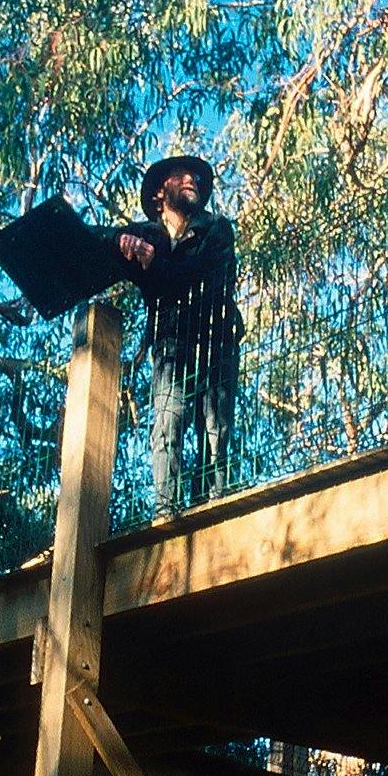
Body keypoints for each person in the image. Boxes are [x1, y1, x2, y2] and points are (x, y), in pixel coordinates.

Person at [115, 154, 240, 509]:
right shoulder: (149, 235)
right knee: (167, 424)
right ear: (159, 193)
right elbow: (103, 244)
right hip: (169, 346)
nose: (192, 180)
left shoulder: (216, 230)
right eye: (181, 174)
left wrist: (153, 262)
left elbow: (194, 276)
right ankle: (165, 510)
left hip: (216, 340)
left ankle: (214, 506)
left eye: (197, 177)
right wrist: (121, 242)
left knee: (214, 432)